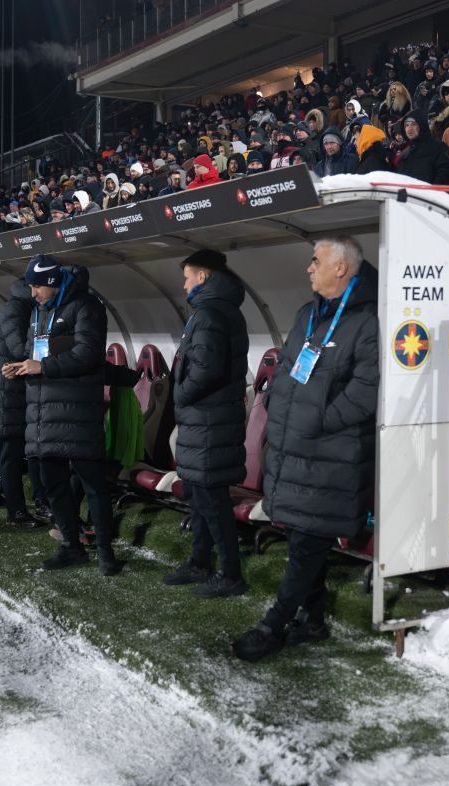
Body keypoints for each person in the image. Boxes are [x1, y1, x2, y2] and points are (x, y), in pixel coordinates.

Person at [233, 236, 378, 661]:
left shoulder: (367, 321)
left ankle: (273, 624)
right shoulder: (307, 314)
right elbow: (286, 374)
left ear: (341, 268)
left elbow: (366, 390)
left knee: (307, 544)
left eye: (316, 261)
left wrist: (318, 421)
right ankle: (313, 621)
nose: (308, 269)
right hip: (294, 451)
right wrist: (278, 407)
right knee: (301, 536)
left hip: (330, 457)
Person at [1, 255, 122, 576]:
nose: (32, 293)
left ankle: (106, 552)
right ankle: (72, 546)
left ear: (53, 282)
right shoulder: (39, 311)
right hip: (42, 414)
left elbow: (87, 353)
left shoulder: (87, 307)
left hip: (77, 413)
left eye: (37, 285)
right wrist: (21, 366)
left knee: (93, 485)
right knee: (52, 486)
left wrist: (43, 366)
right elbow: (32, 350)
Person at [162, 249, 250, 598]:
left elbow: (206, 370)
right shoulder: (213, 310)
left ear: (203, 276)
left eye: (187, 276)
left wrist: (179, 395)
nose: (183, 284)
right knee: (200, 496)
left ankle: (230, 575)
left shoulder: (211, 313)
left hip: (209, 420)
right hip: (205, 420)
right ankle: (199, 561)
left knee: (212, 500)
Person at [0, 278, 45, 529]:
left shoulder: (19, 308)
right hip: (8, 397)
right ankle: (16, 511)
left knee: (17, 454)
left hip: (11, 395)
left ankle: (26, 506)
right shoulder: (16, 311)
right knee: (10, 456)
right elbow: (20, 348)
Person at [396, 114, 449, 184]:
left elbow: (445, 175)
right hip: (410, 194)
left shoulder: (439, 148)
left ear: (422, 125)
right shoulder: (404, 155)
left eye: (414, 124)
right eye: (406, 125)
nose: (409, 129)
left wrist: (430, 192)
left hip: (432, 193)